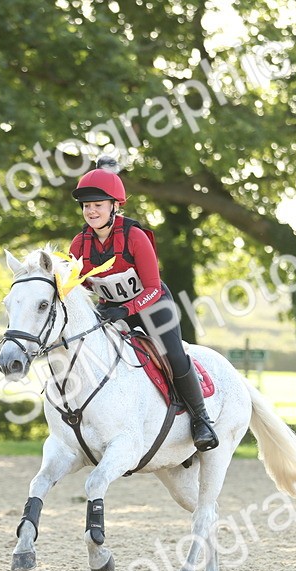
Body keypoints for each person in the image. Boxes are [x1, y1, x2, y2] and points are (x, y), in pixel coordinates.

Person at [68, 156, 219, 452]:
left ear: (115, 206)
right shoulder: (79, 244)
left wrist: (124, 309)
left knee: (174, 355)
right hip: (112, 311)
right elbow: (77, 284)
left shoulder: (135, 237)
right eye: (87, 206)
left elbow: (151, 287)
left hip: (152, 307)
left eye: (98, 205)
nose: (91, 211)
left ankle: (202, 420)